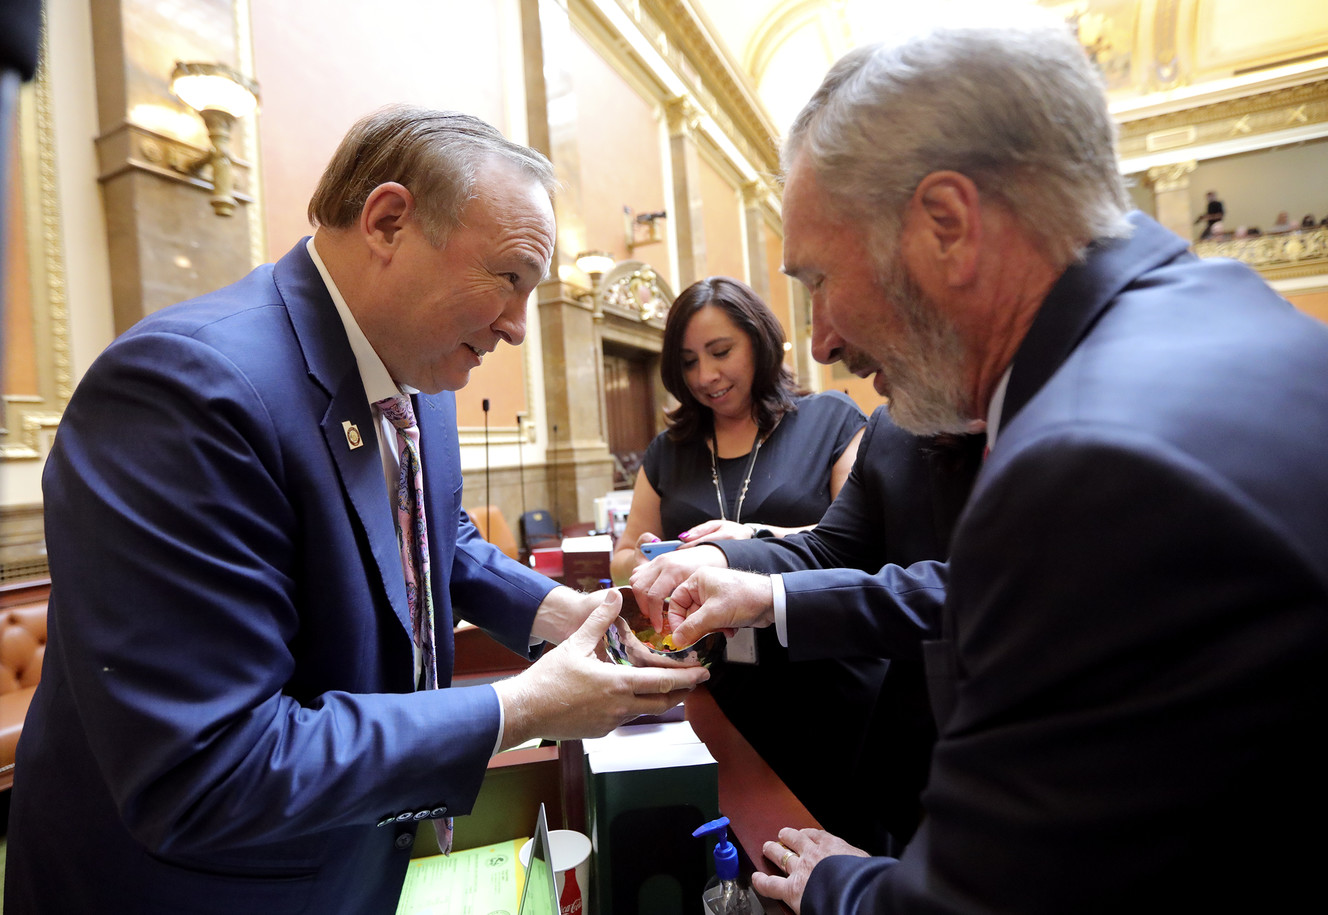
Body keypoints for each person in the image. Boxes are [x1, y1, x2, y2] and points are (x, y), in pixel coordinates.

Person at [663, 18, 1328, 914]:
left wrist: (837, 882)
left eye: (818, 278)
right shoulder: (1224, 309)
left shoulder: (1088, 467)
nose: (819, 336)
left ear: (947, 225)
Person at [4, 106, 708, 914]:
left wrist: (566, 611)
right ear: (388, 221)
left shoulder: (421, 382)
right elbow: (210, 767)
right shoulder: (186, 390)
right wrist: (523, 708)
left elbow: (433, 538)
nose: (518, 327)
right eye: (510, 277)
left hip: (353, 861)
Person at [632, 409, 983, 853]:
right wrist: (721, 559)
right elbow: (832, 547)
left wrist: (769, 597)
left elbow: (973, 592)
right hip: (910, 769)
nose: (822, 350)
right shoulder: (890, 426)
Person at [609, 275, 872, 843]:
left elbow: (856, 542)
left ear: (760, 340)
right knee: (735, 837)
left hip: (821, 679)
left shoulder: (831, 418)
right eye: (688, 362)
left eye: (721, 352)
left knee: (826, 836)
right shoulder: (669, 450)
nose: (706, 376)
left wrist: (745, 539)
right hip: (714, 681)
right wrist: (661, 563)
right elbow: (625, 555)